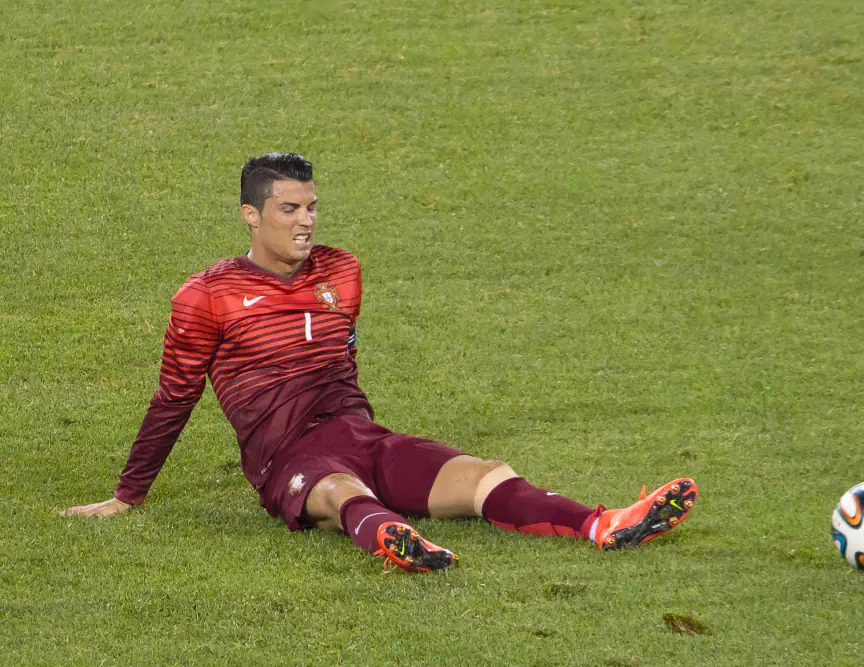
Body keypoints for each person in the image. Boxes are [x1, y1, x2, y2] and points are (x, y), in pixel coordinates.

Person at [62, 152, 698, 572]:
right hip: (288, 458)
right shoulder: (208, 296)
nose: (306, 221)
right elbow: (175, 397)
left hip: (364, 434)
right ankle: (393, 536)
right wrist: (128, 495)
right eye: (290, 209)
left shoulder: (342, 270)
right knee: (342, 491)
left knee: (483, 473)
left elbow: (344, 357)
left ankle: (604, 524)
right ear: (250, 216)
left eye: (312, 206)